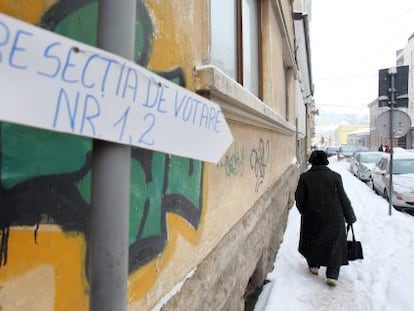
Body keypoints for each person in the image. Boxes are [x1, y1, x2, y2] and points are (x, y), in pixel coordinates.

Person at [295, 150, 356, 287]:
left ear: (311, 161)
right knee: (334, 245)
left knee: (312, 241)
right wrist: (350, 216)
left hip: (312, 217)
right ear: (326, 161)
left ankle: (314, 265)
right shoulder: (335, 177)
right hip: (334, 217)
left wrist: (306, 212)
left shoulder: (305, 178)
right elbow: (343, 199)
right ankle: (332, 275)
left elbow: (299, 199)